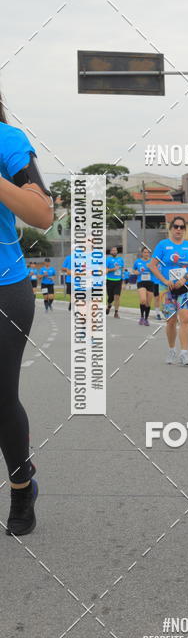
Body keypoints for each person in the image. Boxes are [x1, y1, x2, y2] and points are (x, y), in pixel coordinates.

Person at [0, 100, 54, 535]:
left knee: (1, 399)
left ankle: (21, 485)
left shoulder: (9, 141)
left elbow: (41, 213)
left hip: (5, 288)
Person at [150, 217, 188, 365]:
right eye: (176, 226)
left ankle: (184, 353)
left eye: (182, 227)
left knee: (184, 318)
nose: (179, 229)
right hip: (167, 288)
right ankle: (172, 350)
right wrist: (165, 281)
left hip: (185, 286)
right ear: (171, 229)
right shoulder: (163, 245)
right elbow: (152, 265)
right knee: (171, 321)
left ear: (184, 230)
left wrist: (185, 279)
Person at [133, 247, 153, 325]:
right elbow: (133, 270)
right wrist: (136, 272)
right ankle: (141, 317)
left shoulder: (152, 261)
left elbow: (157, 270)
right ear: (142, 253)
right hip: (141, 282)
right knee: (143, 299)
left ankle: (146, 319)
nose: (146, 254)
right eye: (145, 252)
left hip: (150, 282)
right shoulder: (138, 261)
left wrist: (151, 267)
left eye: (147, 252)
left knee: (148, 303)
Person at [105, 246, 124, 318]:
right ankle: (109, 305)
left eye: (115, 250)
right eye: (112, 250)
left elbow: (122, 269)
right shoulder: (108, 260)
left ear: (117, 251)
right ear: (110, 252)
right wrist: (113, 269)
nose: (114, 251)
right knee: (110, 297)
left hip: (118, 281)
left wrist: (123, 280)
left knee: (117, 296)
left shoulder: (121, 259)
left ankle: (116, 312)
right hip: (110, 280)